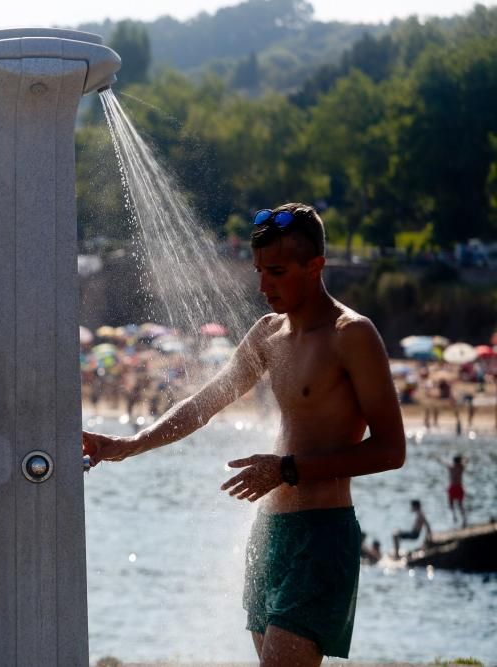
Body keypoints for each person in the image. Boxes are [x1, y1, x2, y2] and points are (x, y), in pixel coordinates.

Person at [83, 204, 406, 664]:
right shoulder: (267, 334)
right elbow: (203, 404)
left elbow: (391, 450)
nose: (262, 285)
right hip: (269, 531)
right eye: (258, 270)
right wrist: (129, 445)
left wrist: (287, 469)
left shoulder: (351, 335)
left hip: (321, 533)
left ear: (315, 266)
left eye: (276, 271)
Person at [435, 454, 467, 527]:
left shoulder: (451, 467)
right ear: (460, 461)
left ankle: (454, 517)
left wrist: (439, 458)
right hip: (458, 487)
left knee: (451, 505)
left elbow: (444, 462)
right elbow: (466, 461)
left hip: (453, 487)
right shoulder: (461, 467)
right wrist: (464, 458)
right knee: (460, 505)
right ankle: (463, 519)